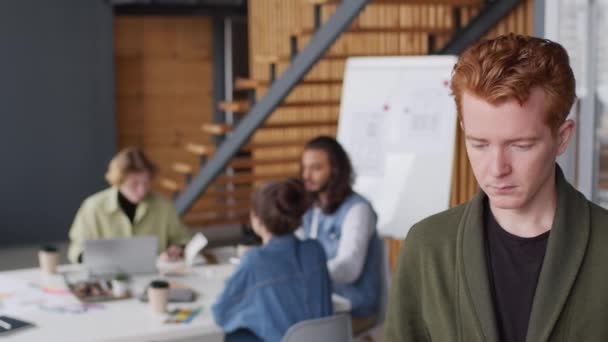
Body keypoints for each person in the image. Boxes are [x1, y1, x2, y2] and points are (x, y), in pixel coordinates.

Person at [384, 33, 608, 341]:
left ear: (563, 137)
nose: (496, 168)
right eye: (479, 144)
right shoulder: (428, 247)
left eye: (520, 145)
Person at [212, 178, 333, 342]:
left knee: (235, 335)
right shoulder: (315, 250)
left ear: (257, 219)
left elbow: (220, 313)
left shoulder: (254, 260)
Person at [299, 136, 382, 328]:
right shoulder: (311, 208)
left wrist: (306, 273)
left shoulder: (357, 209)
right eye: (305, 168)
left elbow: (349, 268)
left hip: (352, 310)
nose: (306, 175)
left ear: (336, 171)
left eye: (316, 168)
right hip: (320, 306)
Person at [68, 147, 190, 264]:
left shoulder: (163, 205)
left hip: (155, 277)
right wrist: (92, 259)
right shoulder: (93, 207)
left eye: (146, 183)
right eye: (134, 184)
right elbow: (76, 249)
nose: (142, 190)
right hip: (108, 277)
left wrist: (177, 249)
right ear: (119, 180)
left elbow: (182, 239)